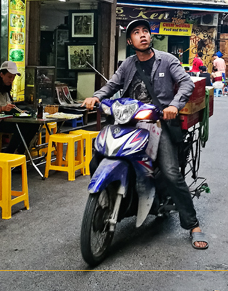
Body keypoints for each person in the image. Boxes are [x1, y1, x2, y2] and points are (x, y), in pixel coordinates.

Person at [82, 19, 207, 250]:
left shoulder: (167, 60)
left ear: (150, 37)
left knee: (170, 173)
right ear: (130, 41)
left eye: (145, 32)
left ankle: (193, 225)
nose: (142, 36)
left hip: (158, 124)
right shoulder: (128, 64)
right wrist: (96, 97)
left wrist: (174, 105)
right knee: (97, 159)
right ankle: (110, 201)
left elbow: (186, 84)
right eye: (136, 33)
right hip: (128, 123)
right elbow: (111, 85)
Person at [0, 61, 39, 154]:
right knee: (21, 126)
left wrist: (17, 109)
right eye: (9, 77)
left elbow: (8, 104)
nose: (11, 80)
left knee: (34, 124)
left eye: (13, 77)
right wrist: (2, 109)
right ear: (1, 74)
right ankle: (9, 153)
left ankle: (21, 152)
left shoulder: (5, 85)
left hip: (5, 118)